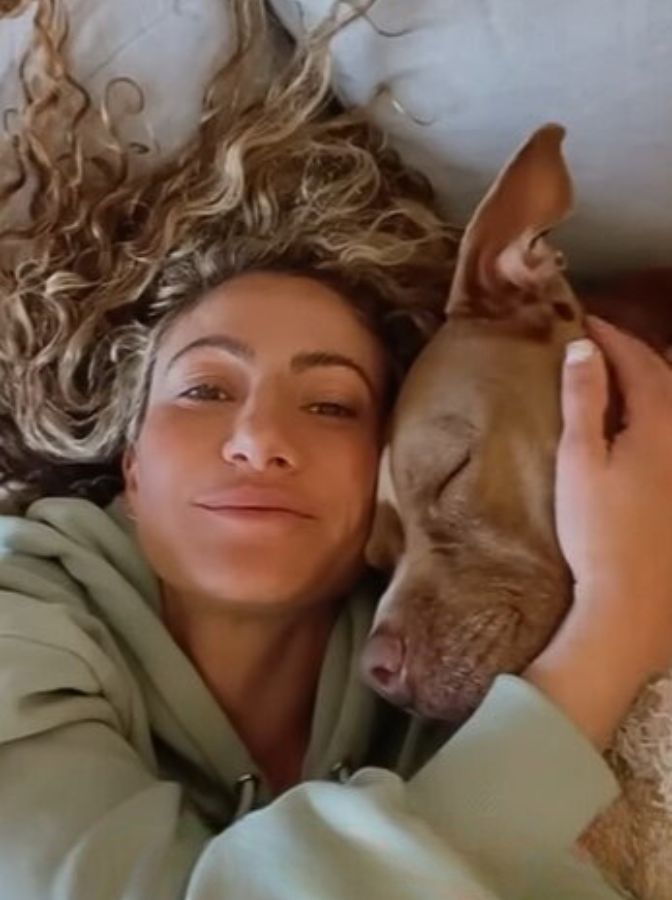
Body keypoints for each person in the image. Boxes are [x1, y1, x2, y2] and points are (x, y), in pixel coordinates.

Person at [0, 1, 671, 898]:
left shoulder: (437, 677)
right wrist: (611, 636)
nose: (260, 438)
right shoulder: (19, 628)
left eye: (330, 405)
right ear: (130, 462)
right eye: (203, 390)